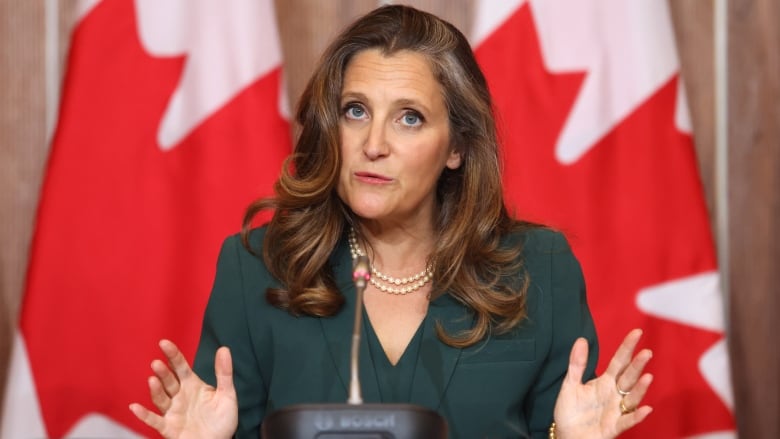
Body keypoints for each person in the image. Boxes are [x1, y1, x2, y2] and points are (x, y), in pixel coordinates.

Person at [129, 5, 653, 438]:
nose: (373, 144)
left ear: (457, 147)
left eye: (410, 118)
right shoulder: (257, 270)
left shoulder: (539, 271)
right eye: (355, 110)